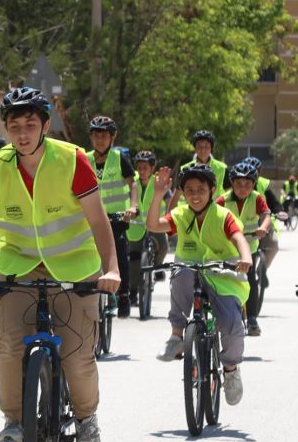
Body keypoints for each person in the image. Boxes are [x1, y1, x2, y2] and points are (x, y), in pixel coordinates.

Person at [0, 87, 120, 442]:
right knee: (9, 345)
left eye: (30, 124)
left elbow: (98, 220)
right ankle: (14, 420)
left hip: (75, 269)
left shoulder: (72, 160)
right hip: (18, 269)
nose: (22, 133)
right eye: (14, 125)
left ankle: (85, 419)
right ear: (5, 129)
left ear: (45, 126)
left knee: (77, 354)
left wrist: (111, 269)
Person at [147, 162, 252, 404]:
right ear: (183, 193)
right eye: (190, 190)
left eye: (201, 189)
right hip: (191, 273)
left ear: (212, 190)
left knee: (231, 324)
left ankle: (231, 370)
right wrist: (158, 195)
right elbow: (153, 225)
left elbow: (238, 237)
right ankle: (176, 337)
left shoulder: (223, 215)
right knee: (180, 274)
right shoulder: (181, 214)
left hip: (224, 279)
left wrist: (245, 258)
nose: (195, 195)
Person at [84, 116, 138, 317]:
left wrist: (132, 206)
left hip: (115, 219)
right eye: (96, 136)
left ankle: (123, 295)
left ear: (112, 138)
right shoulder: (84, 158)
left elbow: (132, 184)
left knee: (120, 255)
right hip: (90, 218)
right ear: (91, 137)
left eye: (104, 136)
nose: (100, 140)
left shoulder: (119, 158)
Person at [220, 160, 273, 337]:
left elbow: (266, 215)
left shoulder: (257, 197)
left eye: (247, 185)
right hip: (227, 248)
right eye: (238, 184)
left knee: (250, 279)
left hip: (249, 247)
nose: (243, 188)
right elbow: (211, 214)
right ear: (232, 184)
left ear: (253, 185)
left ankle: (251, 319)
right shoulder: (223, 199)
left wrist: (263, 228)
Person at [126, 150, 170, 305]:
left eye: (145, 167)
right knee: (134, 258)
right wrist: (132, 210)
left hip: (155, 223)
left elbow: (168, 198)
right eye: (139, 167)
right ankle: (132, 291)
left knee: (163, 246)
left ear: (152, 168)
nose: (142, 170)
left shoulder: (158, 181)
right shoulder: (135, 183)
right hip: (137, 225)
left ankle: (158, 266)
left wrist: (168, 216)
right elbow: (134, 201)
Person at [181, 130, 229, 195]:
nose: (203, 150)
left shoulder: (222, 168)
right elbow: (180, 192)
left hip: (216, 205)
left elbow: (228, 192)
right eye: (199, 146)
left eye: (206, 146)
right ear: (195, 148)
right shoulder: (185, 169)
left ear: (211, 149)